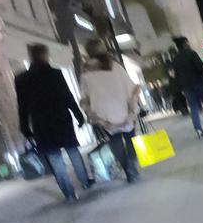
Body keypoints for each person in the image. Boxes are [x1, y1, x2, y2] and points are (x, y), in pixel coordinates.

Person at [15, 44, 91, 203]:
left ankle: (69, 193)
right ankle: (84, 182)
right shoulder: (55, 74)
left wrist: (25, 128)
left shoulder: (22, 80)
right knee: (73, 152)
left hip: (41, 124)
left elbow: (23, 106)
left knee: (55, 159)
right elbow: (68, 97)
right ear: (45, 55)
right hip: (61, 119)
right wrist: (78, 116)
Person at [81, 39, 142, 184]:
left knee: (116, 142)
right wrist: (134, 107)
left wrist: (91, 113)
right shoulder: (116, 67)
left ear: (88, 53)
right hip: (124, 111)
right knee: (130, 140)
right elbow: (132, 89)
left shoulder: (86, 74)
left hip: (104, 116)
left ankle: (128, 171)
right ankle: (132, 166)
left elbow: (84, 99)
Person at [171, 36, 203, 138]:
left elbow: (176, 75)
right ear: (185, 44)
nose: (189, 44)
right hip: (198, 83)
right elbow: (201, 67)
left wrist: (181, 86)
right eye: (187, 43)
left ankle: (198, 129)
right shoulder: (192, 54)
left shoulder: (175, 59)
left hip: (186, 87)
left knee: (193, 107)